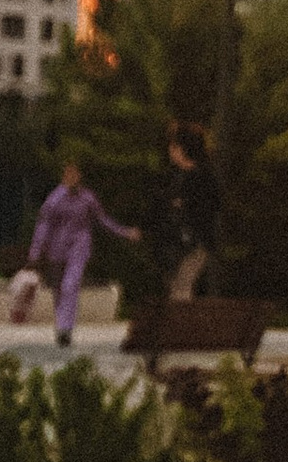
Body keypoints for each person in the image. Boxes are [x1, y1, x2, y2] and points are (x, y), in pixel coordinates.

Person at [22, 161, 139, 346]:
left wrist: (124, 232)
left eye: (75, 174)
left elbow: (102, 219)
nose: (72, 178)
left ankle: (65, 329)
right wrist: (35, 253)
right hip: (56, 250)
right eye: (69, 174)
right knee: (59, 290)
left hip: (79, 247)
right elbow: (43, 225)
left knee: (71, 285)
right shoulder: (55, 198)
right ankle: (62, 326)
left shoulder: (87, 198)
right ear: (63, 176)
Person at [163, 121, 221, 304]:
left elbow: (208, 207)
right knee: (176, 285)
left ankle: (181, 326)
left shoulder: (201, 176)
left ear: (182, 149)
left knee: (182, 285)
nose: (170, 150)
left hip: (194, 242)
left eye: (174, 146)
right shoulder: (179, 175)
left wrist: (184, 205)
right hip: (179, 242)